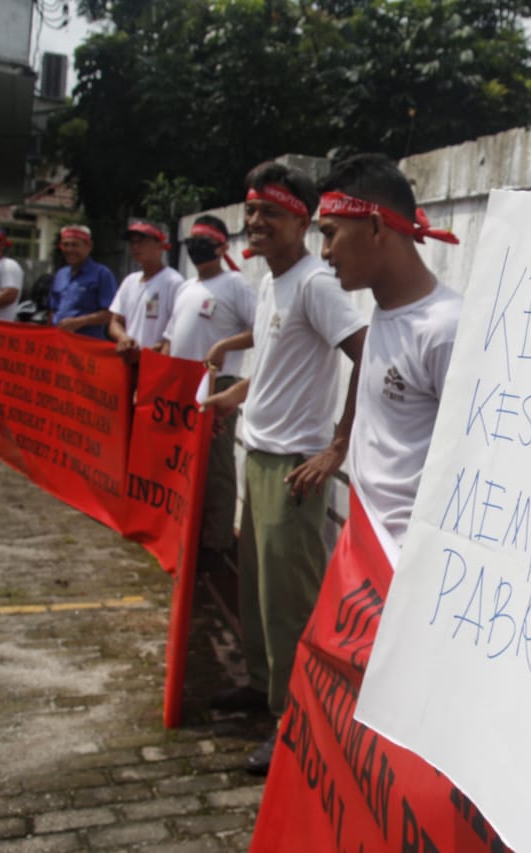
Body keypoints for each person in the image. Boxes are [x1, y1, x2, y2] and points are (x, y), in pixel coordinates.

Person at [201, 162, 366, 775]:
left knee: (288, 605)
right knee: (256, 592)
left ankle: (295, 720)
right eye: (251, 211)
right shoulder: (272, 282)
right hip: (259, 457)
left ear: (302, 220)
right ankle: (264, 686)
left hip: (295, 467)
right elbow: (271, 370)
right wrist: (229, 399)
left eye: (270, 211)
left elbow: (365, 352)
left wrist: (338, 447)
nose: (255, 222)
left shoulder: (316, 284)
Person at [317, 153, 463, 549]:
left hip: (404, 572)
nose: (325, 253)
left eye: (330, 233)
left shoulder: (445, 329)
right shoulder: (384, 312)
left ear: (376, 226)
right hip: (365, 555)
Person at [159, 214, 254, 567]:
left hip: (218, 385)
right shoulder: (186, 287)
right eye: (193, 239)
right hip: (182, 382)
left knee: (216, 467)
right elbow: (170, 338)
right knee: (181, 463)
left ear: (222, 246)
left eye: (205, 239)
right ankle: (186, 530)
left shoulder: (236, 285)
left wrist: (224, 344)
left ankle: (215, 544)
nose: (198, 246)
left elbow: (260, 330)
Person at [108, 220, 184, 356]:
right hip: (128, 359)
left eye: (141, 242)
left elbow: (181, 326)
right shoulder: (129, 281)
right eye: (132, 243)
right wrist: (124, 338)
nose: (135, 247)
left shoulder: (173, 282)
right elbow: (115, 322)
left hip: (157, 362)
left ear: (159, 245)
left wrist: (165, 345)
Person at [48, 225, 117, 339]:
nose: (69, 250)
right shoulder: (60, 274)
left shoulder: (101, 274)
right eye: (65, 245)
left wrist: (79, 322)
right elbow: (53, 311)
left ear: (89, 246)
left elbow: (110, 314)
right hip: (59, 342)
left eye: (75, 245)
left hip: (85, 344)